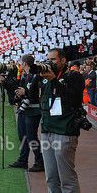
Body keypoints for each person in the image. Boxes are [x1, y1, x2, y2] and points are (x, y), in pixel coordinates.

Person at [39, 48, 85, 193]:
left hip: (65, 131)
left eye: (53, 59)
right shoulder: (46, 79)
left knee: (67, 179)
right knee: (51, 178)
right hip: (47, 130)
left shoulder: (74, 76)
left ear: (63, 60)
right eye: (48, 59)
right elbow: (36, 97)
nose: (49, 62)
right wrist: (36, 76)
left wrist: (54, 80)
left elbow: (73, 100)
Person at [9, 55, 44, 172]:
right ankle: (23, 160)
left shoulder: (37, 76)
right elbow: (23, 91)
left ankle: (40, 161)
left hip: (33, 110)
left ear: (24, 63)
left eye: (21, 62)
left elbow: (38, 94)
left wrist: (26, 91)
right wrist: (19, 93)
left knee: (31, 136)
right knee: (22, 135)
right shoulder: (25, 76)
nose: (20, 64)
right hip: (24, 109)